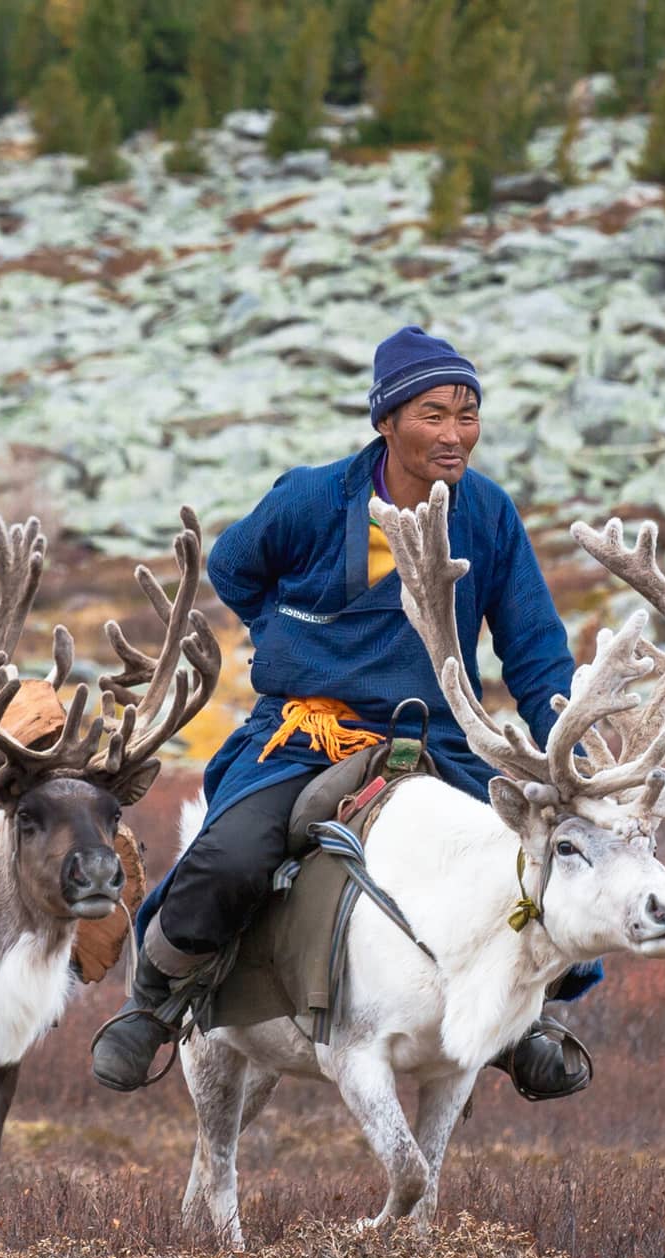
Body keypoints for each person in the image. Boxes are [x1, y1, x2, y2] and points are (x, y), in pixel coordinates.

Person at [91, 327, 603, 1095]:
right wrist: (286, 638)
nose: (455, 433)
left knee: (528, 864)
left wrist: (574, 756)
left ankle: (519, 1022)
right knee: (231, 857)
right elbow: (232, 567)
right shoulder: (311, 498)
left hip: (431, 740)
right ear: (386, 420)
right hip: (305, 736)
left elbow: (534, 650)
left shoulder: (489, 514)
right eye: (434, 414)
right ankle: (157, 1000)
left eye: (467, 414)